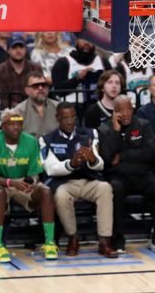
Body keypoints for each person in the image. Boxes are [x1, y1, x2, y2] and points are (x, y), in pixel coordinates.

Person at [0, 108, 58, 262]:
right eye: (11, 124)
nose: (16, 127)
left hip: (21, 182)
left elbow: (35, 172)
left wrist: (32, 182)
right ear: (3, 126)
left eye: (19, 124)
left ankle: (49, 243)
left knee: (46, 191)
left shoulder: (30, 141)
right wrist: (10, 182)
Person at [40, 102, 115, 258]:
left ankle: (104, 241)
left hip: (88, 180)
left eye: (73, 117)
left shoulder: (89, 134)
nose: (69, 121)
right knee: (60, 195)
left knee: (105, 188)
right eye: (65, 118)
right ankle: (73, 238)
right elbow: (50, 168)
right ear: (57, 118)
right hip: (66, 183)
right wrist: (72, 163)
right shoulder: (46, 139)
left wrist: (92, 158)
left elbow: (100, 165)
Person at [99, 95, 155, 253]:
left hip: (143, 174)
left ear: (132, 110)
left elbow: (149, 154)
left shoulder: (143, 125)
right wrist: (116, 132)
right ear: (114, 112)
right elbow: (107, 158)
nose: (125, 114)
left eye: (128, 110)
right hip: (119, 177)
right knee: (114, 189)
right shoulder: (105, 129)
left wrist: (123, 156)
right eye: (120, 111)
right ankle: (118, 237)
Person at [0, 34, 43, 109]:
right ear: (8, 50)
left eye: (21, 47)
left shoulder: (36, 68)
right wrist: (20, 109)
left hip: (33, 109)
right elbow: (2, 99)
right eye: (14, 47)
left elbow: (39, 92)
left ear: (25, 49)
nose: (18, 50)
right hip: (9, 112)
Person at [51, 38, 108, 104]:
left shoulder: (102, 61)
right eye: (83, 39)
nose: (86, 42)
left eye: (90, 40)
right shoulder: (63, 62)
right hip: (71, 107)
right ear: (76, 41)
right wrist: (77, 78)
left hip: (97, 106)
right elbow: (58, 90)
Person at [14, 70, 59, 138]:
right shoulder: (19, 111)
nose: (40, 88)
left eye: (43, 85)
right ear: (27, 90)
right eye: (35, 86)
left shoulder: (58, 107)